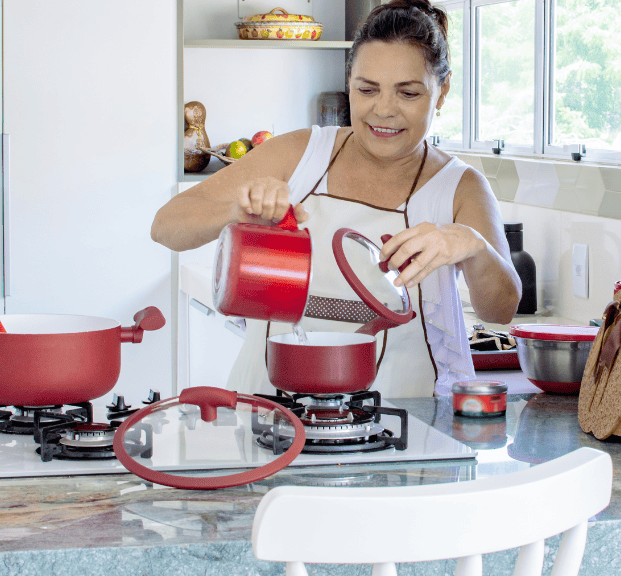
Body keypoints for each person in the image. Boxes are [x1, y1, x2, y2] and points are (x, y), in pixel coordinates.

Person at [150, 0, 521, 398]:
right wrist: (237, 211)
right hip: (267, 414)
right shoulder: (299, 154)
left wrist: (473, 246)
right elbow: (166, 226)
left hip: (401, 428)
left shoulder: (460, 187)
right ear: (349, 84)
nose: (384, 110)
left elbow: (500, 310)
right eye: (367, 89)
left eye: (408, 93)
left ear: (442, 92)